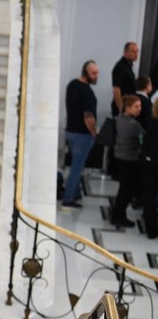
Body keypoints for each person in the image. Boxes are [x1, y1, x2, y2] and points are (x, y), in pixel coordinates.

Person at [63, 60, 99, 210]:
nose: (96, 76)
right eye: (94, 73)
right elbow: (88, 117)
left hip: (70, 131)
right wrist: (94, 132)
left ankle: (75, 192)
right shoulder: (87, 92)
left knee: (75, 165)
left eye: (97, 73)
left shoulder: (72, 85)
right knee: (77, 167)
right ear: (86, 73)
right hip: (82, 135)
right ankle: (68, 198)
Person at [111, 95, 144, 227]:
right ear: (128, 107)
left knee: (124, 188)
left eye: (140, 106)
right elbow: (144, 139)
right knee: (126, 190)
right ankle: (118, 215)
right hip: (130, 159)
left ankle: (118, 214)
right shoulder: (134, 125)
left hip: (119, 156)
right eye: (136, 106)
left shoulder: (119, 119)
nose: (139, 109)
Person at [138, 100, 158, 240]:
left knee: (148, 196)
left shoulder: (152, 122)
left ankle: (151, 228)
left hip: (149, 163)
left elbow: (145, 143)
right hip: (153, 163)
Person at [112, 42, 139, 117]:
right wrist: (121, 109)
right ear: (125, 52)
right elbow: (116, 90)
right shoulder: (121, 67)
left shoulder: (128, 66)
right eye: (133, 51)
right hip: (122, 108)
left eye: (137, 52)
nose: (136, 54)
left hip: (128, 106)